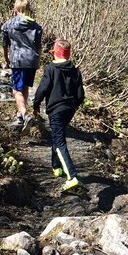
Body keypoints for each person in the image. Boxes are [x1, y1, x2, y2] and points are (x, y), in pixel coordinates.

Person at [32, 39, 84, 192]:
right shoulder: (75, 70)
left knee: (59, 141)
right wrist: (73, 105)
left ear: (55, 53)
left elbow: (42, 89)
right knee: (57, 135)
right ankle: (57, 167)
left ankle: (72, 177)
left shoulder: (51, 69)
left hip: (56, 110)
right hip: (69, 110)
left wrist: (36, 105)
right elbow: (80, 95)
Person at [1, 0, 43, 129]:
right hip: (32, 61)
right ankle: (20, 115)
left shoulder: (8, 25)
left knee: (16, 90)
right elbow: (39, 47)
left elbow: (4, 45)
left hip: (18, 60)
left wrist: (7, 59)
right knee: (24, 87)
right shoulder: (36, 26)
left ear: (16, 9)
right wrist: (38, 60)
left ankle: (25, 114)